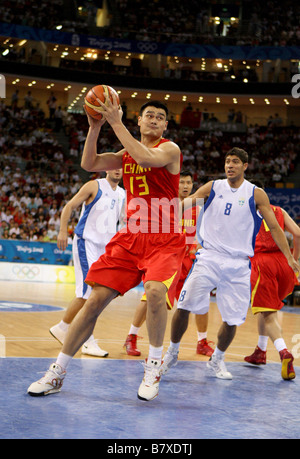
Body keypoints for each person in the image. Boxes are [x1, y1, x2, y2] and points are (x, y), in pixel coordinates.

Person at [27, 98, 186, 401]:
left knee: (154, 292)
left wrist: (115, 121)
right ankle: (58, 371)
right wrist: (95, 127)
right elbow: (90, 164)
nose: (153, 120)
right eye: (148, 115)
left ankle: (153, 366)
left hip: (164, 238)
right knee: (94, 300)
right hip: (131, 238)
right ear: (139, 122)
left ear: (165, 125)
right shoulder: (126, 154)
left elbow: (144, 158)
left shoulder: (170, 149)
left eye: (159, 117)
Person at [161, 147, 300, 380]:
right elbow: (186, 203)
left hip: (238, 264)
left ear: (245, 166)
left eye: (235, 162)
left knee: (232, 319)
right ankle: (172, 353)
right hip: (209, 257)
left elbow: (276, 228)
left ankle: (217, 359)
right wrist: (164, 209)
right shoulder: (213, 187)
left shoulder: (256, 194)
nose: (230, 165)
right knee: (183, 306)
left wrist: (289, 258)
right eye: (227, 161)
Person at [124, 170, 214, 357]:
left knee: (201, 299)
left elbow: (203, 235)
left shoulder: (198, 208)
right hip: (168, 259)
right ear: (175, 184)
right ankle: (131, 336)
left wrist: (198, 246)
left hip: (191, 261)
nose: (186, 186)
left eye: (189, 182)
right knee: (150, 299)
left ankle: (202, 341)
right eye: (182, 182)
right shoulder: (166, 206)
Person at [49, 169, 125, 358]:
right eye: (113, 165)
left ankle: (62, 327)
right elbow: (69, 206)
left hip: (105, 249)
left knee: (90, 295)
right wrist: (62, 231)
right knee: (91, 293)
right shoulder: (94, 185)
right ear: (106, 168)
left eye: (120, 166)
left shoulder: (123, 193)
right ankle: (87, 341)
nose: (117, 169)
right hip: (86, 243)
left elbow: (123, 221)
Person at [244, 204, 300, 380]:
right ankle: (261, 350)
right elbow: (297, 234)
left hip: (263, 264)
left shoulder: (246, 211)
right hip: (284, 262)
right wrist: (294, 258)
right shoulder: (279, 211)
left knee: (269, 315)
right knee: (266, 308)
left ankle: (284, 351)